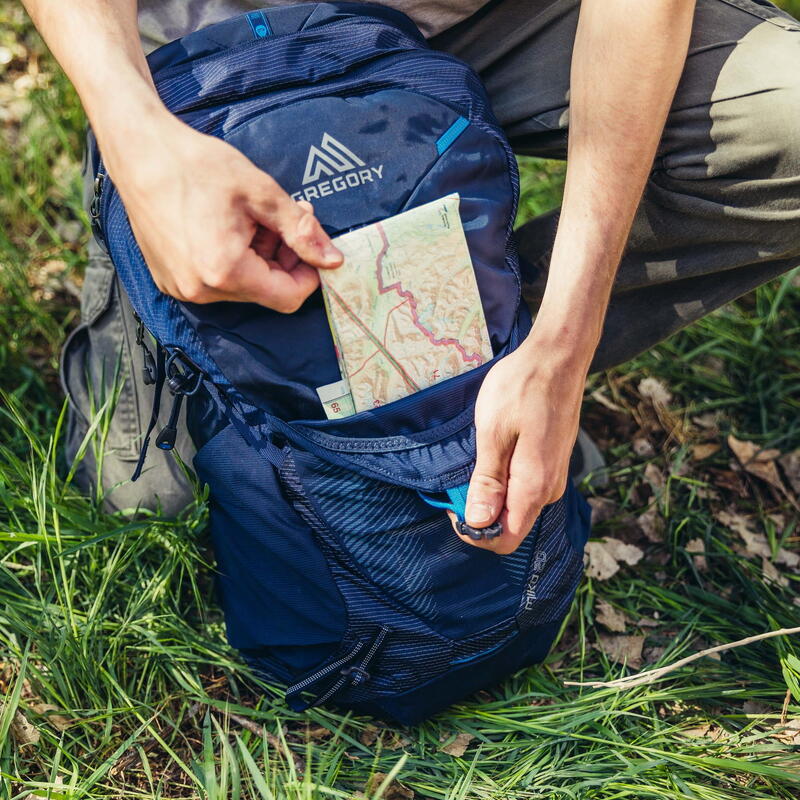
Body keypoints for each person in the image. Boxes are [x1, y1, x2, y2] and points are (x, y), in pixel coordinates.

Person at [24, 0, 800, 554]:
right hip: (213, 67)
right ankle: (230, 337)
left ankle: (473, 367)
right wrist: (140, 145)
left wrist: (562, 339)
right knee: (147, 505)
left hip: (483, 23)